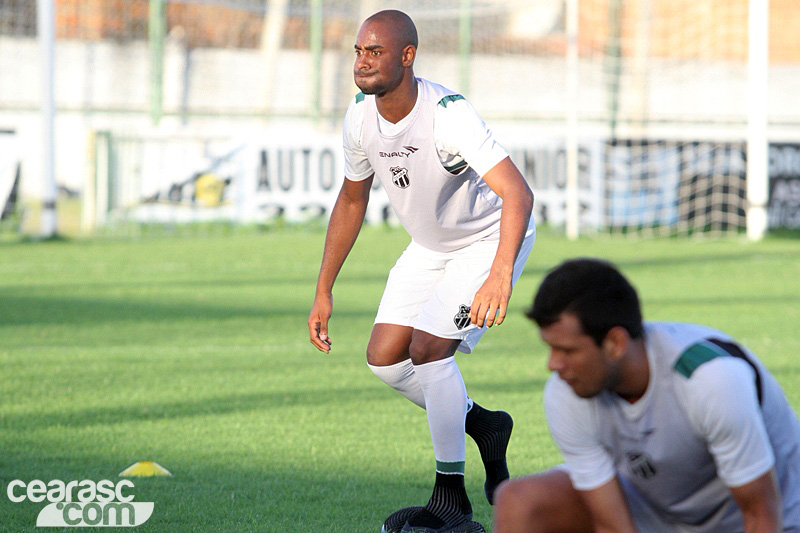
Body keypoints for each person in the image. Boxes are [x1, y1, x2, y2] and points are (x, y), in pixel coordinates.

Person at [307, 9, 536, 533]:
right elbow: (350, 199)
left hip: (488, 240)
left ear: (407, 56)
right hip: (430, 247)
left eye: (375, 52)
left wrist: (499, 274)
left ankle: (450, 502)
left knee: (429, 352)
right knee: (386, 360)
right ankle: (484, 425)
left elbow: (518, 193)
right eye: (359, 52)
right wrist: (324, 290)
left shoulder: (448, 114)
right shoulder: (359, 117)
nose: (362, 62)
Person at [494, 258, 800, 533]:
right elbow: (611, 525)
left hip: (774, 519)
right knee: (518, 502)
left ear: (615, 342)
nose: (553, 365)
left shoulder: (711, 380)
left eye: (568, 351)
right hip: (660, 515)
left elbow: (762, 517)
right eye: (551, 348)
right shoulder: (567, 392)